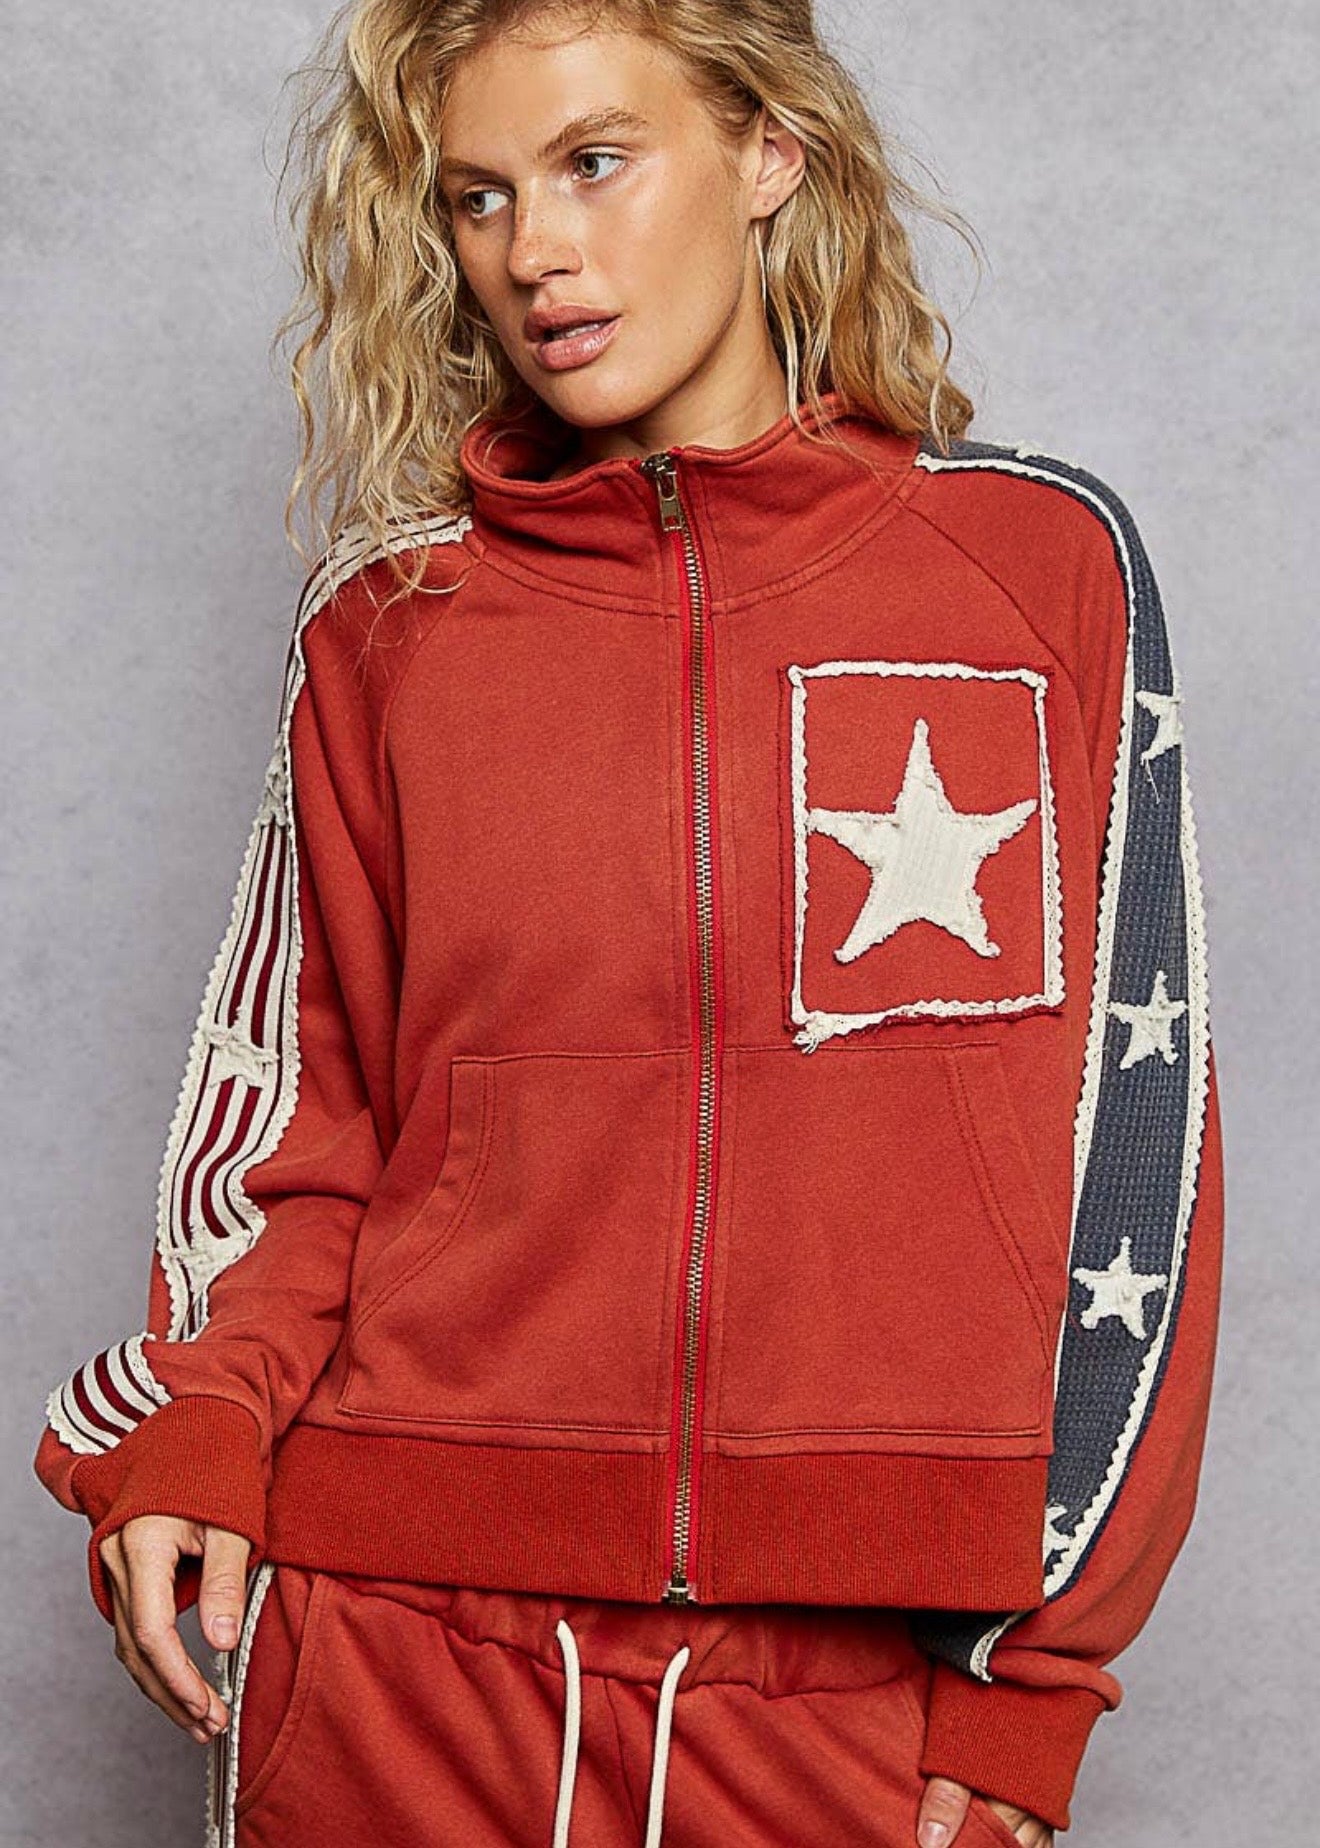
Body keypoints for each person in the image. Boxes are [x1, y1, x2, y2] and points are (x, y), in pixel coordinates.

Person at [32, 2, 1225, 1844]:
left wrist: (1034, 1688)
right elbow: (299, 1118)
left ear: (770, 154)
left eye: (595, 162)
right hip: (393, 1661)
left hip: (840, 1691)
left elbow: (1135, 1159)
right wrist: (199, 1423)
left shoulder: (1034, 571)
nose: (536, 251)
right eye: (480, 196)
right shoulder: (390, 628)